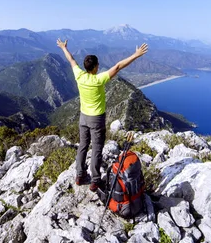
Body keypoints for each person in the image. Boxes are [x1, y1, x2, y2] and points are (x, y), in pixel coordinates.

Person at [56, 39, 148, 191]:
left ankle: (79, 175)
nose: (99, 67)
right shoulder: (98, 80)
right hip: (97, 119)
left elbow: (71, 59)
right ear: (95, 67)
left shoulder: (79, 75)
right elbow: (118, 66)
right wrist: (136, 55)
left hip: (83, 117)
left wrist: (63, 48)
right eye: (98, 65)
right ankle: (95, 180)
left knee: (83, 146)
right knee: (97, 149)